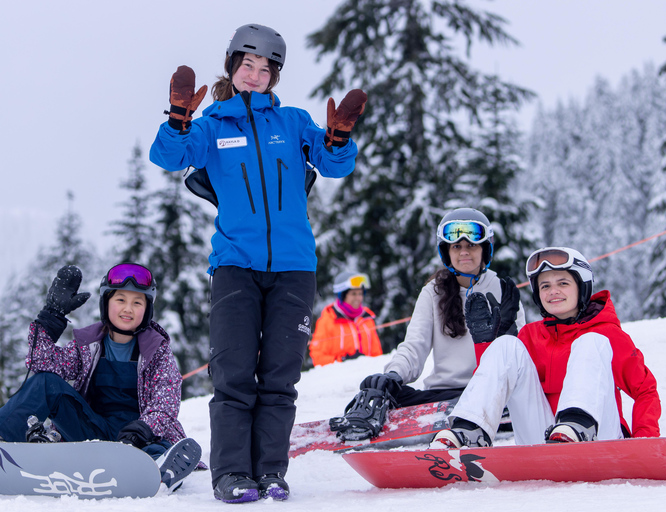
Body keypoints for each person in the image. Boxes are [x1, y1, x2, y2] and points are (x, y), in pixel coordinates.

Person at [149, 23, 367, 503]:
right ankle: (230, 474)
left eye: (264, 69)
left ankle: (271, 472)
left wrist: (337, 139)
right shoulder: (211, 126)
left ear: (274, 78)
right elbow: (167, 155)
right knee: (232, 373)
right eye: (247, 64)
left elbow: (334, 165)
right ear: (232, 67)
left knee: (280, 376)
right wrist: (179, 120)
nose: (254, 74)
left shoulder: (291, 123)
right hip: (235, 267)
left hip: (294, 267)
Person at [0, 263, 202, 494]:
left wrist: (142, 430)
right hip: (93, 433)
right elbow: (43, 363)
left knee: (157, 447)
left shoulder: (157, 351)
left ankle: (159, 468)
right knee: (46, 381)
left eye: (138, 302)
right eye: (121, 300)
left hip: (141, 437)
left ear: (147, 309)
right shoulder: (88, 345)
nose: (128, 308)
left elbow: (165, 402)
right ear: (106, 304)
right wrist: (51, 317)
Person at [433, 247, 661, 448]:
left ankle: (577, 426)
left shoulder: (606, 334)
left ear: (581, 288)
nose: (553, 291)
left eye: (563, 283)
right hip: (544, 438)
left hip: (602, 439)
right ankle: (468, 432)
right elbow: (494, 386)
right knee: (506, 344)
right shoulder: (530, 336)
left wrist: (645, 441)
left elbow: (645, 390)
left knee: (590, 341)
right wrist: (486, 344)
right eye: (545, 286)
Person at [330, 208, 526, 441]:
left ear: (485, 249)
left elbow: (521, 352)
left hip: (490, 391)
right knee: (387, 391)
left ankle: (493, 413)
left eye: (471, 246)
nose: (464, 252)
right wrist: (393, 376)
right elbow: (414, 346)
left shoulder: (503, 290)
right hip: (443, 395)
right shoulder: (434, 292)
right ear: (446, 252)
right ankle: (367, 422)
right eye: (456, 247)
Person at [308, 271, 382, 366]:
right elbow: (318, 357)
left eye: (360, 293)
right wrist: (342, 360)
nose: (358, 298)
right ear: (342, 295)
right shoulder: (328, 321)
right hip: (340, 376)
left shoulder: (367, 320)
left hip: (366, 373)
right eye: (353, 294)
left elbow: (377, 354)